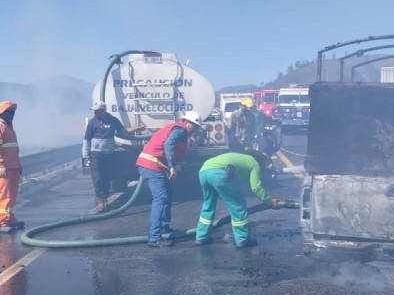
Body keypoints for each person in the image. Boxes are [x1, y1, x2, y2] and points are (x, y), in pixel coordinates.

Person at [136, 111, 202, 247]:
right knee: (160, 198)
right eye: (193, 125)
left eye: (196, 127)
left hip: (156, 165)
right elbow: (168, 145)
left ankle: (164, 227)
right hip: (151, 165)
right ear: (186, 122)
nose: (194, 129)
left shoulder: (181, 131)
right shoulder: (180, 130)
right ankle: (154, 238)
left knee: (168, 194)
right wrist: (172, 167)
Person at [194, 150, 280, 248]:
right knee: (238, 204)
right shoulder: (255, 164)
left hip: (204, 170)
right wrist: (270, 202)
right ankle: (243, 239)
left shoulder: (242, 158)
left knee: (208, 204)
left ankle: (202, 237)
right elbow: (256, 187)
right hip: (218, 173)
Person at [83, 101, 145, 214]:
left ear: (103, 110)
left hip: (109, 154)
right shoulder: (92, 123)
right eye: (94, 111)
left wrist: (135, 129)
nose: (95, 112)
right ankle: (100, 200)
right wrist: (85, 155)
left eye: (97, 110)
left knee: (106, 177)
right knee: (98, 178)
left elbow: (123, 131)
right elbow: (87, 139)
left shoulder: (112, 120)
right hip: (96, 154)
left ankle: (105, 199)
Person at [0, 100, 23, 233]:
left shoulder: (8, 126)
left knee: (11, 195)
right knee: (3, 194)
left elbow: (13, 149)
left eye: (13, 112)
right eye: (10, 112)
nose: (12, 114)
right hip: (3, 168)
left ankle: (8, 218)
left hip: (12, 166)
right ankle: (0, 222)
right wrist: (0, 165)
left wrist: (18, 164)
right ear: (3, 113)